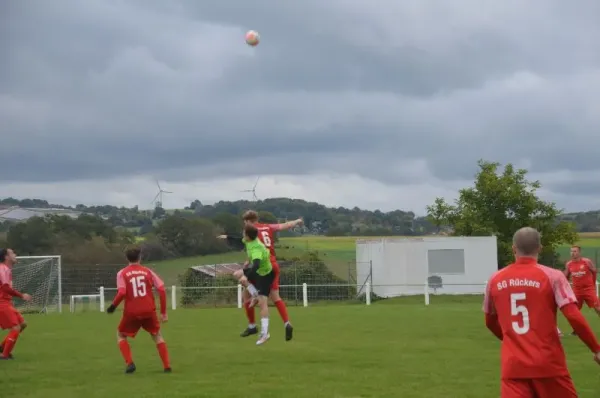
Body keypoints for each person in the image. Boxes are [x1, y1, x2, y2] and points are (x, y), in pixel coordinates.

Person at [483, 227, 600, 398]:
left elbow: (490, 321)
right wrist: (596, 349)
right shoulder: (553, 276)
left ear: (513, 249)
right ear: (540, 248)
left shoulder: (495, 279)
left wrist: (512, 341)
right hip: (548, 364)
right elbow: (573, 316)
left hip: (513, 367)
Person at [219, 211, 302, 341]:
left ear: (248, 221)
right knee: (275, 297)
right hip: (274, 264)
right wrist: (296, 221)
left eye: (245, 222)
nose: (244, 225)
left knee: (254, 297)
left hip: (263, 266)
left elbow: (252, 248)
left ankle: (255, 326)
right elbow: (284, 226)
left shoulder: (251, 231)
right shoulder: (268, 227)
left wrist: (228, 238)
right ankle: (286, 323)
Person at [106, 247, 171, 373]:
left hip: (132, 312)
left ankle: (130, 363)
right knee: (157, 336)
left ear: (126, 258)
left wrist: (113, 306)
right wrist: (163, 312)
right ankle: (167, 366)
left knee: (121, 335)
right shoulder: (148, 271)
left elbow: (122, 292)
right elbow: (162, 289)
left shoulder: (122, 273)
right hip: (149, 310)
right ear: (140, 257)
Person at [232, 224, 275, 345]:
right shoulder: (248, 240)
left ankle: (265, 334)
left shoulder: (256, 247)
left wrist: (247, 276)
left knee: (263, 304)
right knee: (237, 275)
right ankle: (254, 295)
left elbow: (256, 265)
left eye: (243, 233)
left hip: (265, 274)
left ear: (248, 236)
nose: (242, 234)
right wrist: (225, 236)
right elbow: (236, 239)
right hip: (258, 271)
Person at [0, 248, 32, 360]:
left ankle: (3, 348)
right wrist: (21, 295)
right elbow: (5, 287)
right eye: (12, 253)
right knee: (16, 327)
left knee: (22, 324)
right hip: (2, 303)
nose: (15, 254)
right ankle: (4, 355)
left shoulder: (6, 269)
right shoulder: (3, 268)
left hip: (6, 302)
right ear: (6, 257)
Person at [564, 245, 600, 335]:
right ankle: (577, 330)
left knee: (598, 308)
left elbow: (594, 271)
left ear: (579, 252)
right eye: (571, 251)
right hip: (577, 291)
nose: (573, 253)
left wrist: (592, 283)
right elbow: (566, 276)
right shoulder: (569, 264)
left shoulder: (586, 262)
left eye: (575, 251)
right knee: (574, 311)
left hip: (589, 289)